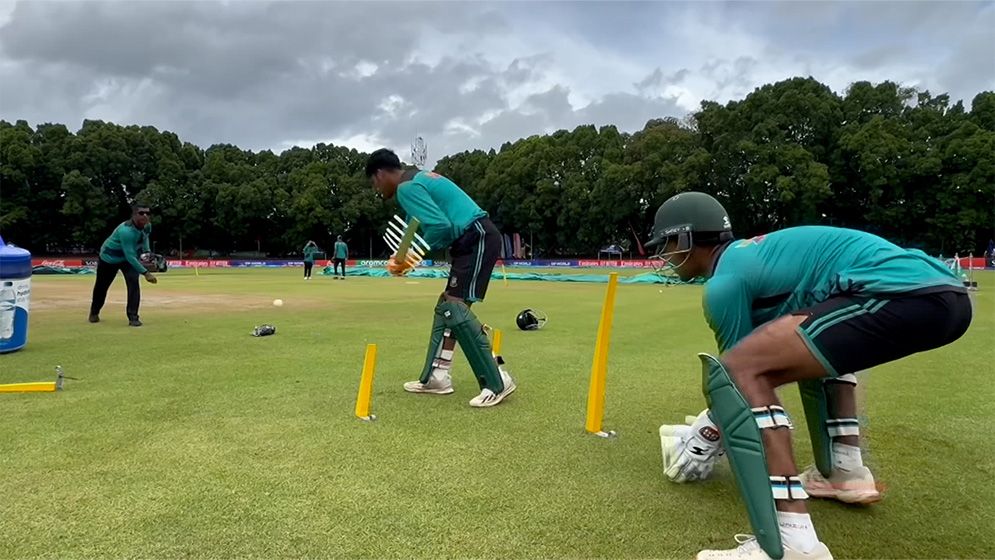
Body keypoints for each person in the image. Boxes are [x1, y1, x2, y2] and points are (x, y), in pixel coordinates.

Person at [648, 192, 972, 560]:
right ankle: (845, 470)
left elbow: (737, 382)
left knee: (742, 370)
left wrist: (704, 435)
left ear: (686, 238)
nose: (664, 254)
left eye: (666, 244)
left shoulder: (724, 283)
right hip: (942, 294)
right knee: (812, 354)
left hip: (903, 293)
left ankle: (792, 542)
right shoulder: (750, 258)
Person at [365, 148, 515, 407]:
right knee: (447, 305)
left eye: (373, 183)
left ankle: (497, 380)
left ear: (380, 174)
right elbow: (416, 229)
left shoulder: (406, 188)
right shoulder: (417, 178)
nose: (376, 189)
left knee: (455, 308)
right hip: (471, 239)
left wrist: (411, 258)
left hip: (475, 236)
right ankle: (437, 377)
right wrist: (403, 257)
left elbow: (440, 226)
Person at [89, 204, 158, 327]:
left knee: (133, 284)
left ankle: (133, 317)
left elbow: (145, 237)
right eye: (141, 213)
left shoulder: (147, 225)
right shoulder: (126, 231)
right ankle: (94, 312)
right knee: (102, 286)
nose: (145, 216)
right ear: (134, 215)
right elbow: (130, 256)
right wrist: (146, 273)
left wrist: (147, 252)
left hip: (127, 258)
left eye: (148, 213)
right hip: (109, 258)